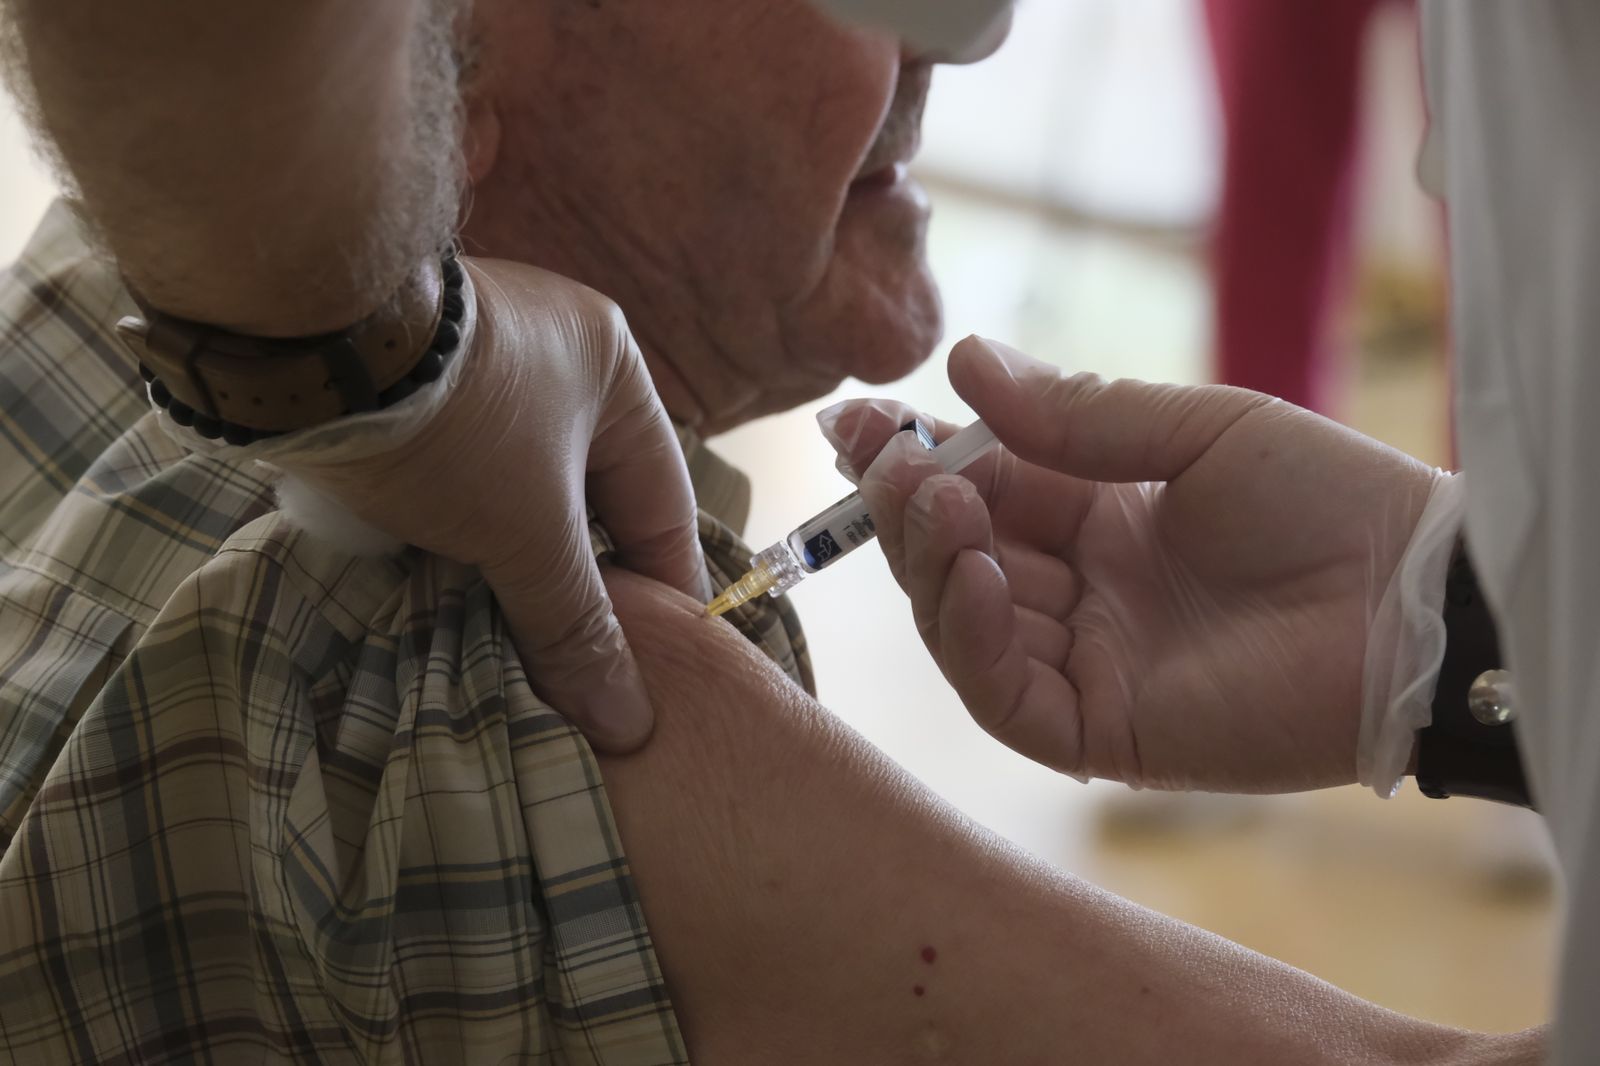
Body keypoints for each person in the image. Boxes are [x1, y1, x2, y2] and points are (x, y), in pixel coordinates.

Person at [0, 4, 1553, 1066]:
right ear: (453, 57)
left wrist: (1451, 626)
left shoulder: (105, 298)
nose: (970, 34)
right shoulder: (453, 696)